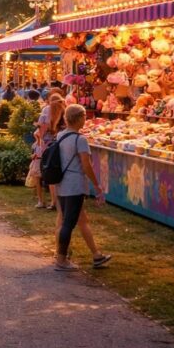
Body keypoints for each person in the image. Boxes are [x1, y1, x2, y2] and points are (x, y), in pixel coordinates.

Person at [53, 105, 111, 272]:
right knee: (68, 223)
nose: (85, 119)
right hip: (75, 185)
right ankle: (61, 259)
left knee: (74, 219)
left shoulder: (61, 135)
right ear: (79, 118)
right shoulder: (80, 140)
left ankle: (96, 255)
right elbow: (86, 165)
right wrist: (97, 184)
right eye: (84, 116)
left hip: (62, 183)